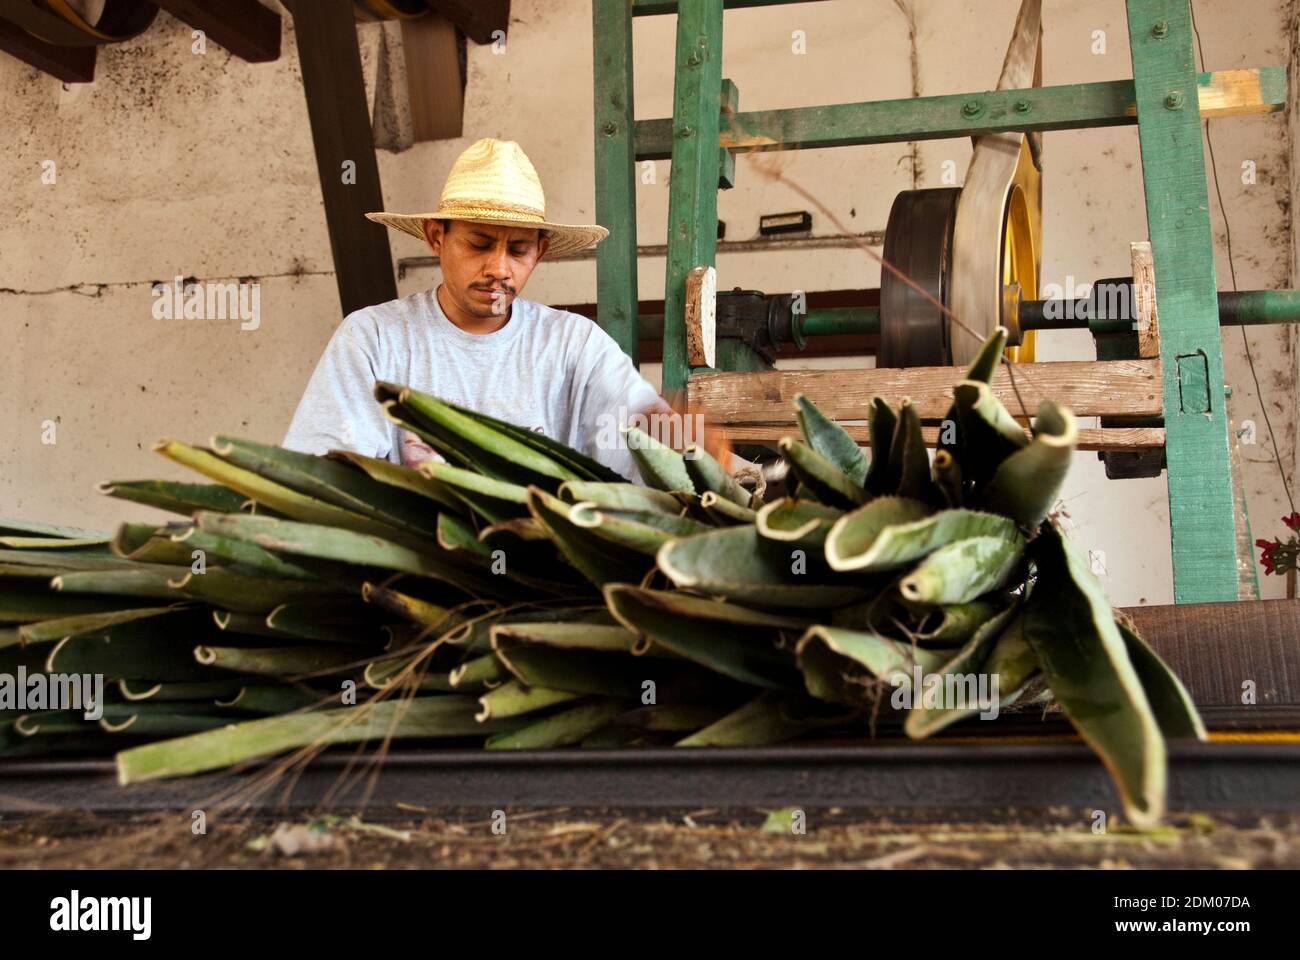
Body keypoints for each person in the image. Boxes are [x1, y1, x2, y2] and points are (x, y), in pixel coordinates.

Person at [282, 137, 673, 481]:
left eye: (519, 249)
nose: (499, 269)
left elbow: (651, 444)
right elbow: (322, 476)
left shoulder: (575, 345)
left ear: (539, 252)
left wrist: (685, 441)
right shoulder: (375, 339)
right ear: (438, 238)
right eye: (479, 244)